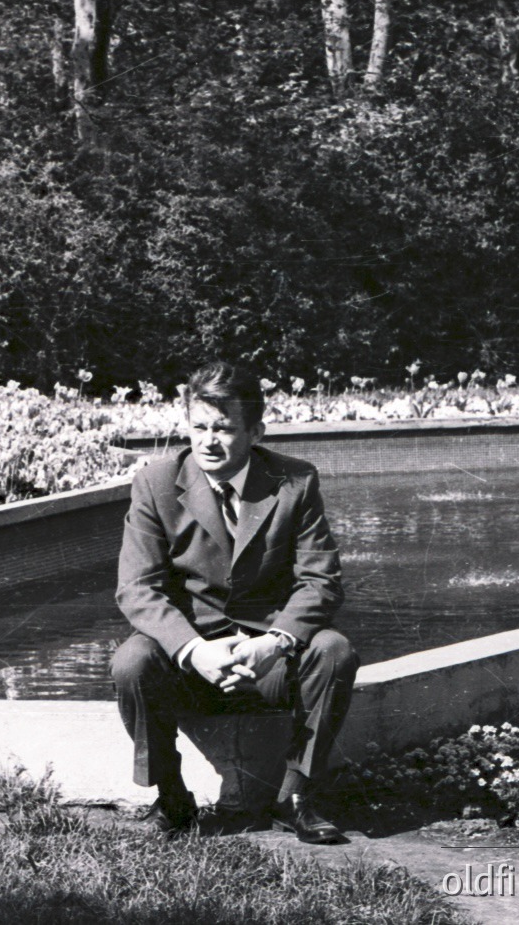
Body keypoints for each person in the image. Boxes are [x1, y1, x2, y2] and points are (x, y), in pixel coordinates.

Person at [112, 361, 358, 842]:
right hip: (190, 662)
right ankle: (172, 797)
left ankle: (296, 795)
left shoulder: (295, 482)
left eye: (223, 429)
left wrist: (274, 643)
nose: (208, 440)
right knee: (131, 661)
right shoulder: (157, 483)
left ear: (255, 431)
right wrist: (194, 649)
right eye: (199, 426)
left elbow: (321, 579)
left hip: (269, 661)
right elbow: (137, 587)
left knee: (333, 651)